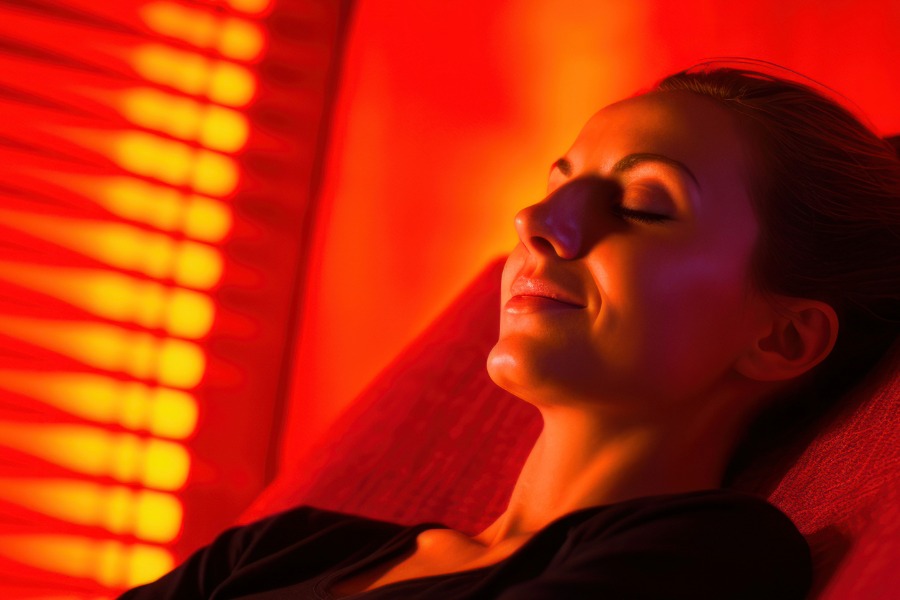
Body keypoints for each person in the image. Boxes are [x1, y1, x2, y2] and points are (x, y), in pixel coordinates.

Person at [120, 63, 900, 599]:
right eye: (557, 185)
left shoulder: (710, 557)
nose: (536, 223)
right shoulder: (282, 547)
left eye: (643, 205)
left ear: (783, 340)